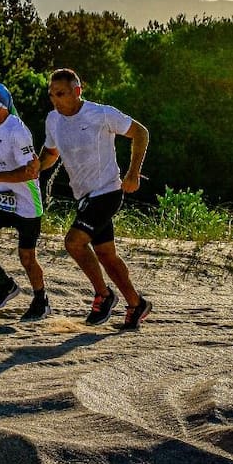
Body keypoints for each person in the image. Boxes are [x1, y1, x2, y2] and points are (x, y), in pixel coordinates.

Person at [38, 68, 153, 330]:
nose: (55, 100)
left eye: (61, 94)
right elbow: (50, 154)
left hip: (108, 192)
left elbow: (141, 133)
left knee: (74, 242)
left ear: (77, 92)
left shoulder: (101, 113)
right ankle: (137, 304)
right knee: (106, 255)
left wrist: (133, 173)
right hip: (84, 197)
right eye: (51, 94)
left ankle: (104, 295)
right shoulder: (53, 120)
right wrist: (31, 169)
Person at [0, 82, 50, 321]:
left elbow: (31, 172)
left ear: (3, 106)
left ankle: (41, 299)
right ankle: (5, 284)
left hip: (26, 202)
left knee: (26, 257)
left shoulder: (18, 131)